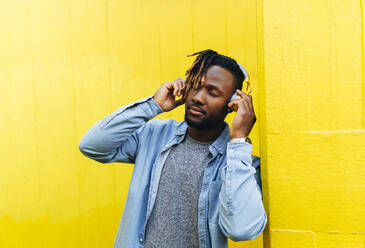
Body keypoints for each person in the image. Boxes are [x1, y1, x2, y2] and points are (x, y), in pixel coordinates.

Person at [78, 49, 267, 248]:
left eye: (212, 93)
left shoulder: (242, 165)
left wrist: (238, 141)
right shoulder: (154, 136)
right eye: (194, 87)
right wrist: (154, 105)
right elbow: (92, 145)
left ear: (232, 104)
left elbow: (241, 229)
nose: (198, 98)